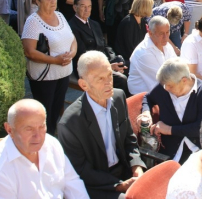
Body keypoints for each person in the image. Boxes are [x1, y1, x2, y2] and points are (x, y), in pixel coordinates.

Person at [58, 51, 146, 199]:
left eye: (110, 75)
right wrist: (119, 185)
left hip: (125, 170)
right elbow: (80, 169)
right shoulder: (70, 124)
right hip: (98, 184)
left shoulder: (118, 97)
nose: (108, 83)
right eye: (100, 79)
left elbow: (129, 139)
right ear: (83, 84)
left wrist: (136, 166)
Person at [0, 99, 89, 199]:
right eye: (29, 129)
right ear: (9, 129)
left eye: (41, 127)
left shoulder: (51, 144)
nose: (38, 136)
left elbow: (73, 183)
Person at [21, 0, 76, 134]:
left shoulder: (60, 15)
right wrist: (55, 60)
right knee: (44, 112)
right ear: (38, 2)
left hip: (63, 73)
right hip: (44, 76)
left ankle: (51, 138)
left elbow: (72, 39)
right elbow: (29, 51)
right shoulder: (33, 21)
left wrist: (71, 53)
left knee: (56, 110)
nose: (53, 1)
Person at [139, 58, 202, 164]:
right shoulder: (165, 86)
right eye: (165, 85)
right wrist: (146, 112)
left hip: (197, 149)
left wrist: (169, 130)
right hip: (169, 151)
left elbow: (201, 128)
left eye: (170, 86)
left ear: (184, 80)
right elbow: (148, 98)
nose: (166, 89)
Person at [69, 0, 128, 94]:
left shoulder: (94, 24)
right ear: (75, 7)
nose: (87, 10)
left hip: (103, 61)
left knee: (126, 66)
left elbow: (105, 46)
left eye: (89, 6)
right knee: (121, 79)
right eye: (83, 6)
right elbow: (82, 54)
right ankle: (117, 105)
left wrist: (114, 59)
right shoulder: (72, 26)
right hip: (88, 67)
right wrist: (108, 66)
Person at [128, 16, 177, 94]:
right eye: (161, 33)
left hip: (162, 90)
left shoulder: (167, 45)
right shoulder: (143, 53)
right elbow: (162, 81)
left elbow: (176, 68)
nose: (165, 37)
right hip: (143, 98)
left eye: (167, 32)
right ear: (150, 33)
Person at [114, 0, 154, 66]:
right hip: (128, 60)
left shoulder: (142, 21)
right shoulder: (128, 22)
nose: (152, 8)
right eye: (150, 6)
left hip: (138, 57)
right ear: (144, 7)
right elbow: (129, 47)